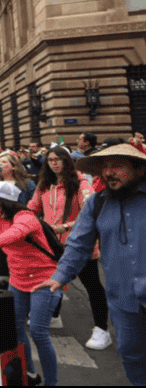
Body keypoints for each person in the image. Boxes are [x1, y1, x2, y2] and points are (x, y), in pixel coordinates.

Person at [33, 143, 146, 385]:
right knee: (131, 354)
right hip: (124, 300)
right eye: (105, 167)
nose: (109, 172)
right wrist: (60, 275)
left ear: (139, 170)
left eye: (117, 166)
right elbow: (78, 244)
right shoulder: (97, 204)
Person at [0, 181, 60, 386]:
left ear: (4, 202)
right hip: (17, 279)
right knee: (16, 329)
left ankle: (52, 383)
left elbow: (15, 233)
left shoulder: (25, 216)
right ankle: (28, 374)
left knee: (38, 332)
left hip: (44, 280)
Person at [27, 146, 108, 341]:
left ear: (67, 161)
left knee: (92, 285)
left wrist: (67, 226)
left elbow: (91, 211)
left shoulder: (80, 183)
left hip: (79, 245)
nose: (54, 163)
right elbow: (32, 208)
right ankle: (54, 316)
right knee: (53, 281)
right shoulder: (44, 184)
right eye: (50, 159)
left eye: (58, 159)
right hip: (52, 245)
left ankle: (102, 329)